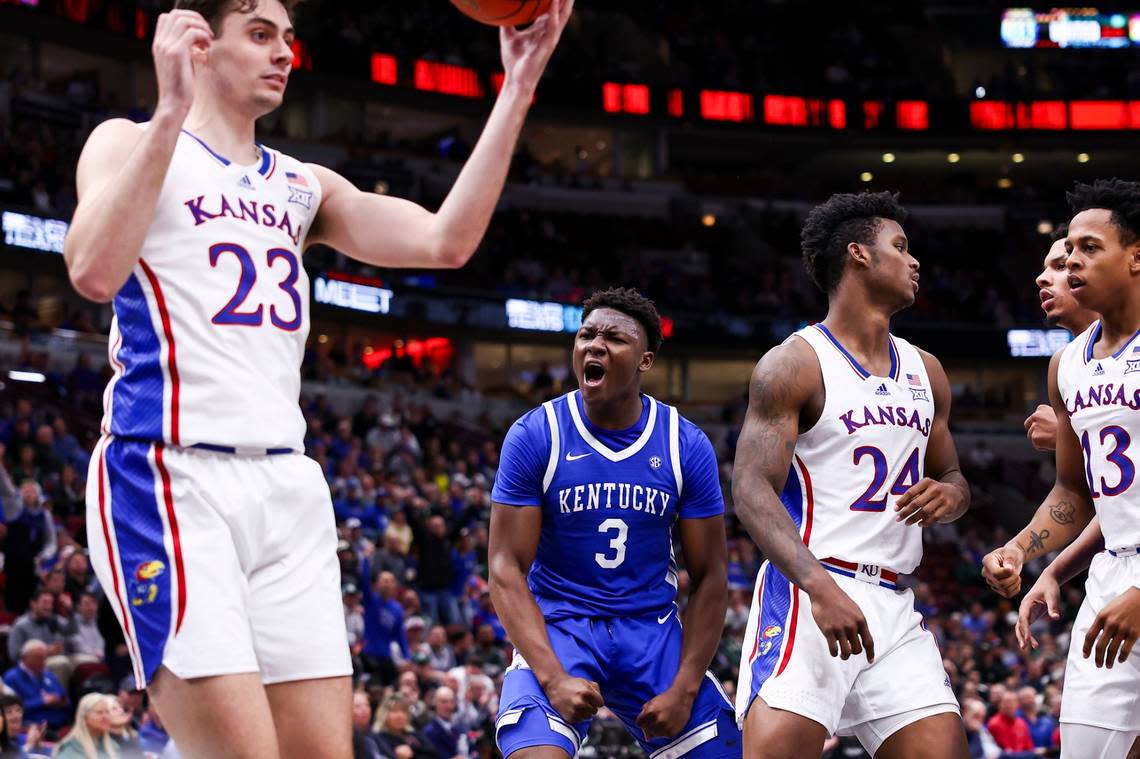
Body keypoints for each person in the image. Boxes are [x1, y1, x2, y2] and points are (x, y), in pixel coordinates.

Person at [63, 0, 573, 754]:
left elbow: (446, 240)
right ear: (199, 43)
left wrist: (518, 86)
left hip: (288, 487)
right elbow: (93, 270)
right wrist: (171, 108)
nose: (284, 54)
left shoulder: (303, 185)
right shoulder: (128, 142)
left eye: (289, 38)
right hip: (167, 476)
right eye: (261, 34)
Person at [732, 191, 970, 759]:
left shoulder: (926, 370)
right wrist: (819, 587)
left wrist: (948, 495)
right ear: (859, 255)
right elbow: (748, 487)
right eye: (901, 246)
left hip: (892, 602)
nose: (915, 262)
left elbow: (956, 478)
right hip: (810, 593)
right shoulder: (794, 362)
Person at [490, 287, 740, 759]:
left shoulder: (684, 444)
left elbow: (710, 577)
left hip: (652, 629)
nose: (595, 345)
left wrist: (685, 688)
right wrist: (552, 676)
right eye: (586, 335)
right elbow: (504, 567)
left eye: (614, 338)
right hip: (561, 626)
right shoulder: (535, 434)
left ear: (645, 361)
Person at [982, 179, 1140, 758]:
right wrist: (1023, 551)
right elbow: (1073, 491)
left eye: (1090, 247)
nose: (1072, 259)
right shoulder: (1067, 363)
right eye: (1067, 248)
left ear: (1137, 256)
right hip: (1111, 578)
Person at [3, 640, 70, 733]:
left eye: (45, 657)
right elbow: (11, 710)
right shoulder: (11, 677)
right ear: (25, 657)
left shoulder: (49, 675)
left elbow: (65, 699)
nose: (43, 661)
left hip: (60, 722)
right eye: (38, 657)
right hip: (33, 727)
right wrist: (42, 702)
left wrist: (61, 701)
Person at [53, 693, 117, 758]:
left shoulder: (113, 746)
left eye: (107, 712)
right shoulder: (71, 748)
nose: (105, 716)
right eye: (99, 712)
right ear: (84, 717)